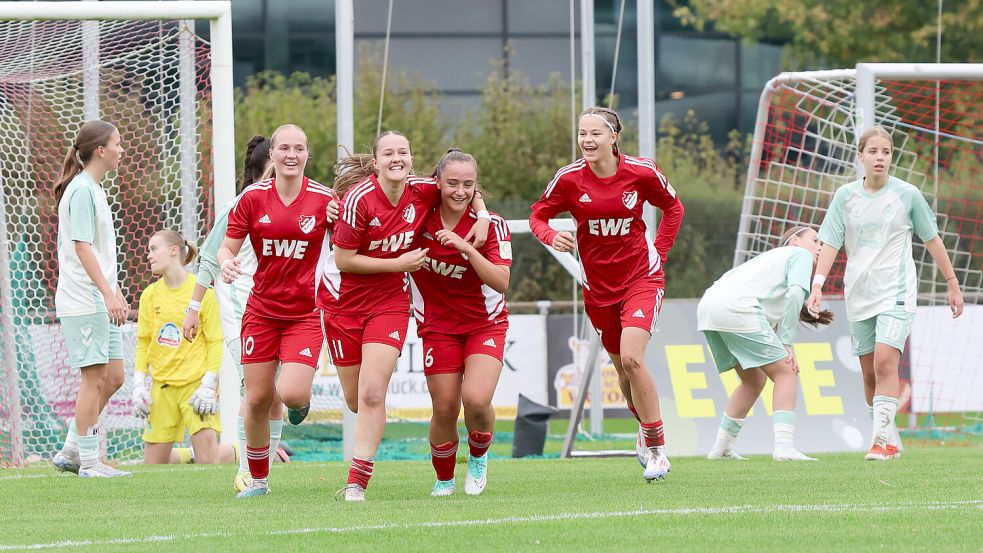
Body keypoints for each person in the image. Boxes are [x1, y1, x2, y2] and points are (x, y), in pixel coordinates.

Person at [319, 131, 489, 501]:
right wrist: (398, 262)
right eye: (388, 153)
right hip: (343, 304)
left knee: (373, 392)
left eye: (403, 152)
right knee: (355, 400)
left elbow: (460, 187)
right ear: (376, 161)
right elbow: (345, 261)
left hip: (389, 302)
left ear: (412, 159)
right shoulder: (358, 200)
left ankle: (356, 482)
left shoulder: (423, 189)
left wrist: (484, 214)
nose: (396, 158)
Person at [529, 106, 684, 482]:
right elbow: (537, 216)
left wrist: (659, 254)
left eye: (595, 133)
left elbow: (673, 208)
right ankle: (645, 431)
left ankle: (659, 451)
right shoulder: (568, 179)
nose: (587, 139)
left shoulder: (641, 172)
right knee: (622, 372)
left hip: (641, 279)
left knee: (633, 358)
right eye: (582, 132)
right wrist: (552, 236)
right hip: (598, 288)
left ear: (614, 137)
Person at [807, 125, 964, 461]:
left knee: (884, 362)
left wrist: (952, 283)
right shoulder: (845, 197)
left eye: (886, 152)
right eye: (873, 152)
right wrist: (817, 285)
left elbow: (932, 239)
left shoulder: (907, 194)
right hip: (859, 294)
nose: (880, 158)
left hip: (896, 293)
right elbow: (831, 242)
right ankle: (888, 438)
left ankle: (880, 441)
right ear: (861, 156)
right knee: (868, 373)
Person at [217, 124, 336, 497]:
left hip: (304, 313)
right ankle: (258, 480)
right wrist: (226, 263)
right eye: (284, 148)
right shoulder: (252, 198)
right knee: (256, 398)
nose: (291, 155)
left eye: (299, 148)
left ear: (307, 155)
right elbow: (226, 248)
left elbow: (350, 240)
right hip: (262, 312)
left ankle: (302, 403)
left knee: (291, 394)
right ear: (272, 155)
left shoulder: (325, 199)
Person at [182, 136, 292, 492]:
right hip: (240, 313)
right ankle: (247, 472)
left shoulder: (294, 206)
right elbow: (210, 259)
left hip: (278, 314)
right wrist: (194, 307)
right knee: (255, 392)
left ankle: (261, 473)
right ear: (270, 164)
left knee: (276, 396)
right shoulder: (239, 205)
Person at [408, 149, 512, 497]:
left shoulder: (491, 225)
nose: (459, 191)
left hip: (485, 324)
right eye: (452, 182)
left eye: (468, 184)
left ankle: (479, 459)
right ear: (436, 182)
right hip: (437, 326)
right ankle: (444, 479)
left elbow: (501, 281)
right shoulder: (418, 216)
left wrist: (467, 249)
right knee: (445, 407)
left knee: (477, 400)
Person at [700, 226, 834, 461]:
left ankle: (721, 448)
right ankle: (784, 448)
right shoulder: (799, 255)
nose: (820, 247)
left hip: (709, 308)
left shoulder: (770, 262)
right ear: (795, 241)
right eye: (815, 240)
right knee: (787, 372)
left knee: (753, 379)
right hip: (735, 308)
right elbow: (795, 295)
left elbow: (767, 316)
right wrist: (787, 343)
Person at [50, 120, 132, 478]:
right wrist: (106, 292)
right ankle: (88, 462)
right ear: (100, 150)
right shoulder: (82, 190)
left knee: (114, 375)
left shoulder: (95, 189)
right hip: (83, 300)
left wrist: (114, 291)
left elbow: (97, 250)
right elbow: (81, 247)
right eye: (117, 143)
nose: (121, 149)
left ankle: (71, 449)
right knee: (94, 378)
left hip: (100, 297)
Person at [133, 230, 237, 465]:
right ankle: (189, 455)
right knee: (152, 468)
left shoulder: (203, 293)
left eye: (153, 249)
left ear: (173, 251)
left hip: (196, 388)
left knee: (208, 464)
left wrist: (209, 385)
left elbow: (214, 342)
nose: (148, 255)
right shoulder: (149, 295)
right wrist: (138, 385)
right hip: (162, 388)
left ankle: (236, 452)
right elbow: (143, 343)